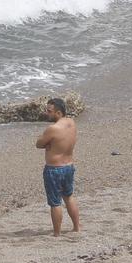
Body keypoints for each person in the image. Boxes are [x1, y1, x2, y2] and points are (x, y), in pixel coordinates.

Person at [34, 97, 81, 234]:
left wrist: (48, 143)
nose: (47, 114)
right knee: (69, 197)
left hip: (54, 169)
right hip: (69, 166)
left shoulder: (52, 129)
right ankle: (77, 227)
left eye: (49, 111)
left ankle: (57, 233)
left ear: (58, 113)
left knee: (55, 203)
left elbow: (38, 144)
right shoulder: (71, 123)